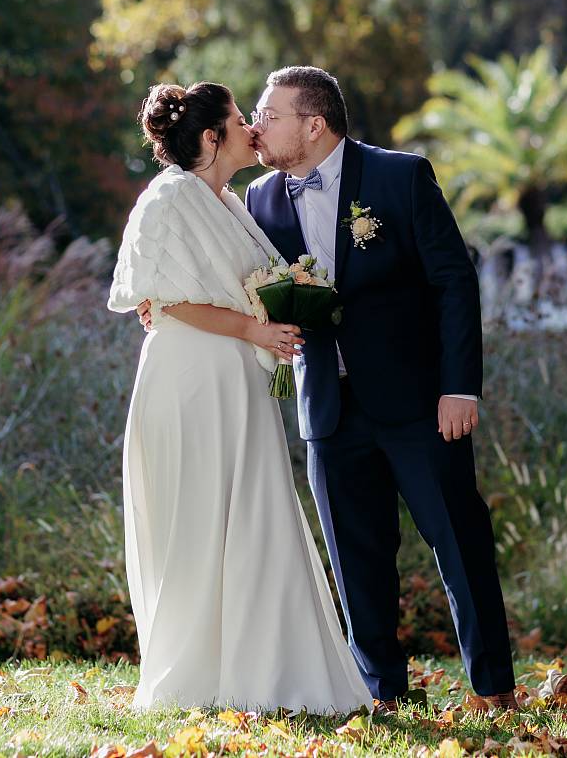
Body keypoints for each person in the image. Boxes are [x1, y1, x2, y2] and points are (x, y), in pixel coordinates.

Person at [242, 65, 518, 711]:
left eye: (269, 114)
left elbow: (454, 280)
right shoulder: (259, 201)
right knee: (357, 562)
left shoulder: (401, 176)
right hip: (329, 411)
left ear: (313, 124)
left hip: (421, 403)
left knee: (460, 544)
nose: (256, 127)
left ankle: (493, 689)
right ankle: (383, 693)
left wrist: (461, 388)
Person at [107, 81, 372, 714]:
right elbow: (167, 301)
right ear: (210, 138)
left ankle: (271, 672)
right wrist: (256, 328)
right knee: (200, 519)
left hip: (238, 380)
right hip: (191, 379)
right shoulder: (169, 198)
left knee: (253, 512)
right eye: (239, 119)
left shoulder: (229, 200)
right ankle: (197, 675)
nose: (254, 127)